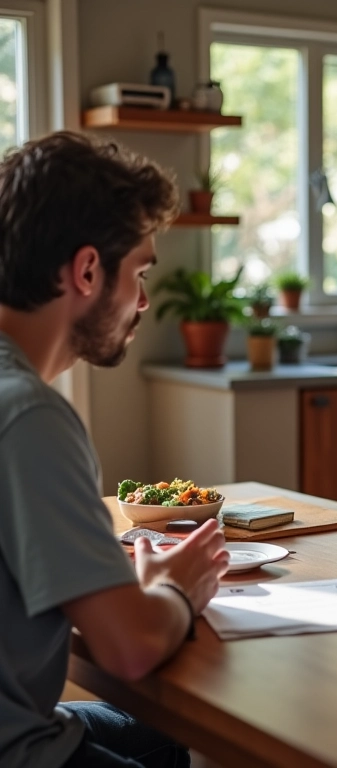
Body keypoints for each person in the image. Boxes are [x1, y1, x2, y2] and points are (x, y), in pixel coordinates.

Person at [0, 131, 230, 768]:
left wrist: (137, 595)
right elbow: (130, 648)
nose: (144, 301)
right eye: (140, 273)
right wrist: (176, 589)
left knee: (160, 733)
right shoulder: (29, 416)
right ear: (87, 271)